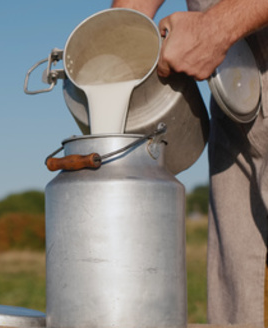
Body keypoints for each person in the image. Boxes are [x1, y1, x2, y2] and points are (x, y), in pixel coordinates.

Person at [111, 0, 268, 326]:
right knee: (238, 294)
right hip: (230, 80)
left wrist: (217, 26)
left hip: (228, 35)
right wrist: (125, 29)